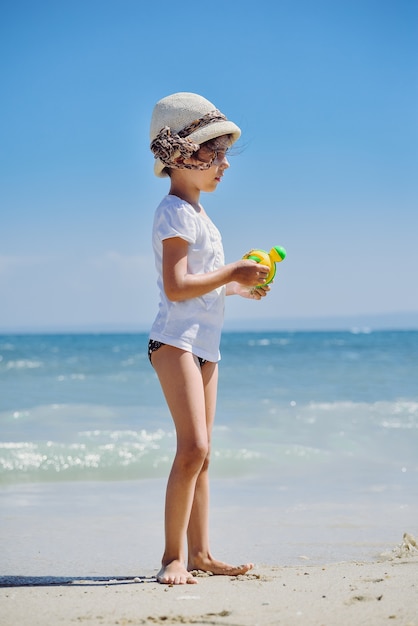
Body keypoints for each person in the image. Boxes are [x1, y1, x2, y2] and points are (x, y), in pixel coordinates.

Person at [148, 92, 271, 585]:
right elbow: (177, 287)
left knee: (205, 454)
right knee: (192, 447)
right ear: (180, 155)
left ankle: (200, 552)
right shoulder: (173, 211)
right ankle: (170, 557)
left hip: (204, 346)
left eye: (224, 155)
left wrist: (241, 288)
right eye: (211, 153)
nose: (222, 164)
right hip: (175, 342)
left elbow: (204, 286)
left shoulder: (202, 218)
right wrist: (230, 273)